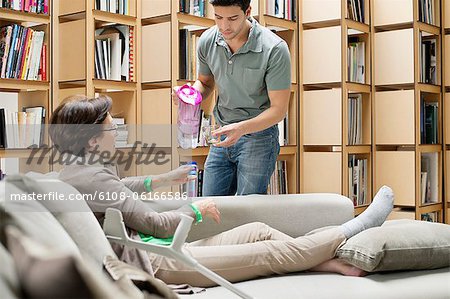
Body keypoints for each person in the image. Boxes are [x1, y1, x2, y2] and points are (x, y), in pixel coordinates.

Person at [50, 95, 395, 287]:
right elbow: (154, 223)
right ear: (93, 139)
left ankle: (329, 262)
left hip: (160, 250)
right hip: (158, 263)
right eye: (113, 130)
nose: (118, 135)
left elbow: (121, 189)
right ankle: (352, 230)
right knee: (268, 253)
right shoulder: (92, 177)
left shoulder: (78, 171)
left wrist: (164, 179)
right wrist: (195, 209)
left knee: (258, 231)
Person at [173, 0, 291, 196]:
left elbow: (278, 110)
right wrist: (190, 95)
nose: (224, 26)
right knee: (209, 208)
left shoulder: (275, 48)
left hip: (258, 138)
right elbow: (205, 83)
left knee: (246, 210)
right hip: (222, 133)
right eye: (218, 17)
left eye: (232, 18)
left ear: (247, 12)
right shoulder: (207, 41)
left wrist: (242, 128)